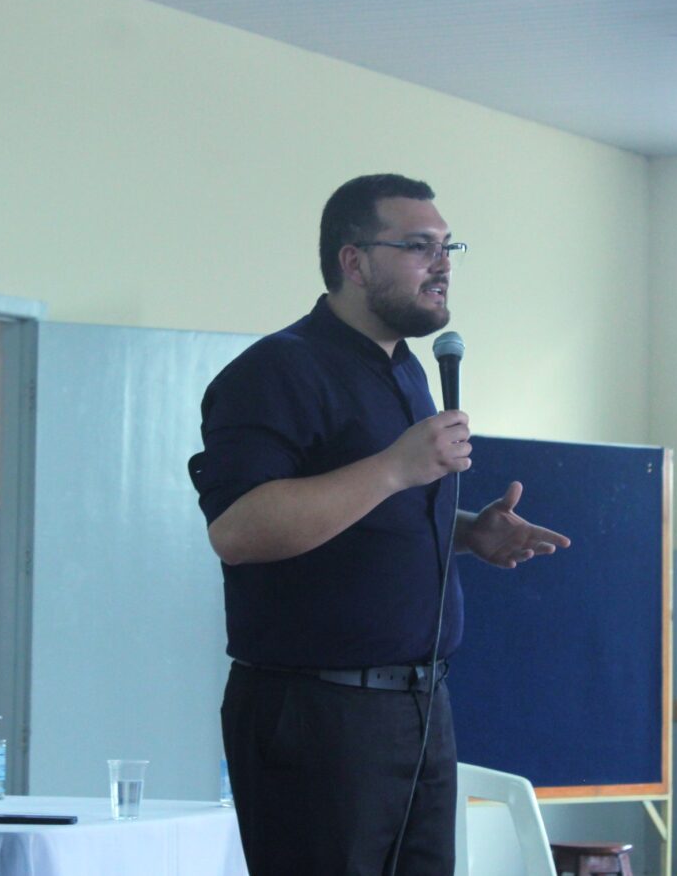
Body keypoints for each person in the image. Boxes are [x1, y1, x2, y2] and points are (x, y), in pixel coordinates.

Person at [188, 173, 570, 875]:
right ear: (354, 261)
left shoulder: (406, 371)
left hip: (420, 706)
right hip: (317, 711)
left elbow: (366, 514)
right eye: (419, 246)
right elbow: (238, 530)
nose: (443, 263)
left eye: (448, 246)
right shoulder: (277, 370)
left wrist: (466, 532)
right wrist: (396, 467)